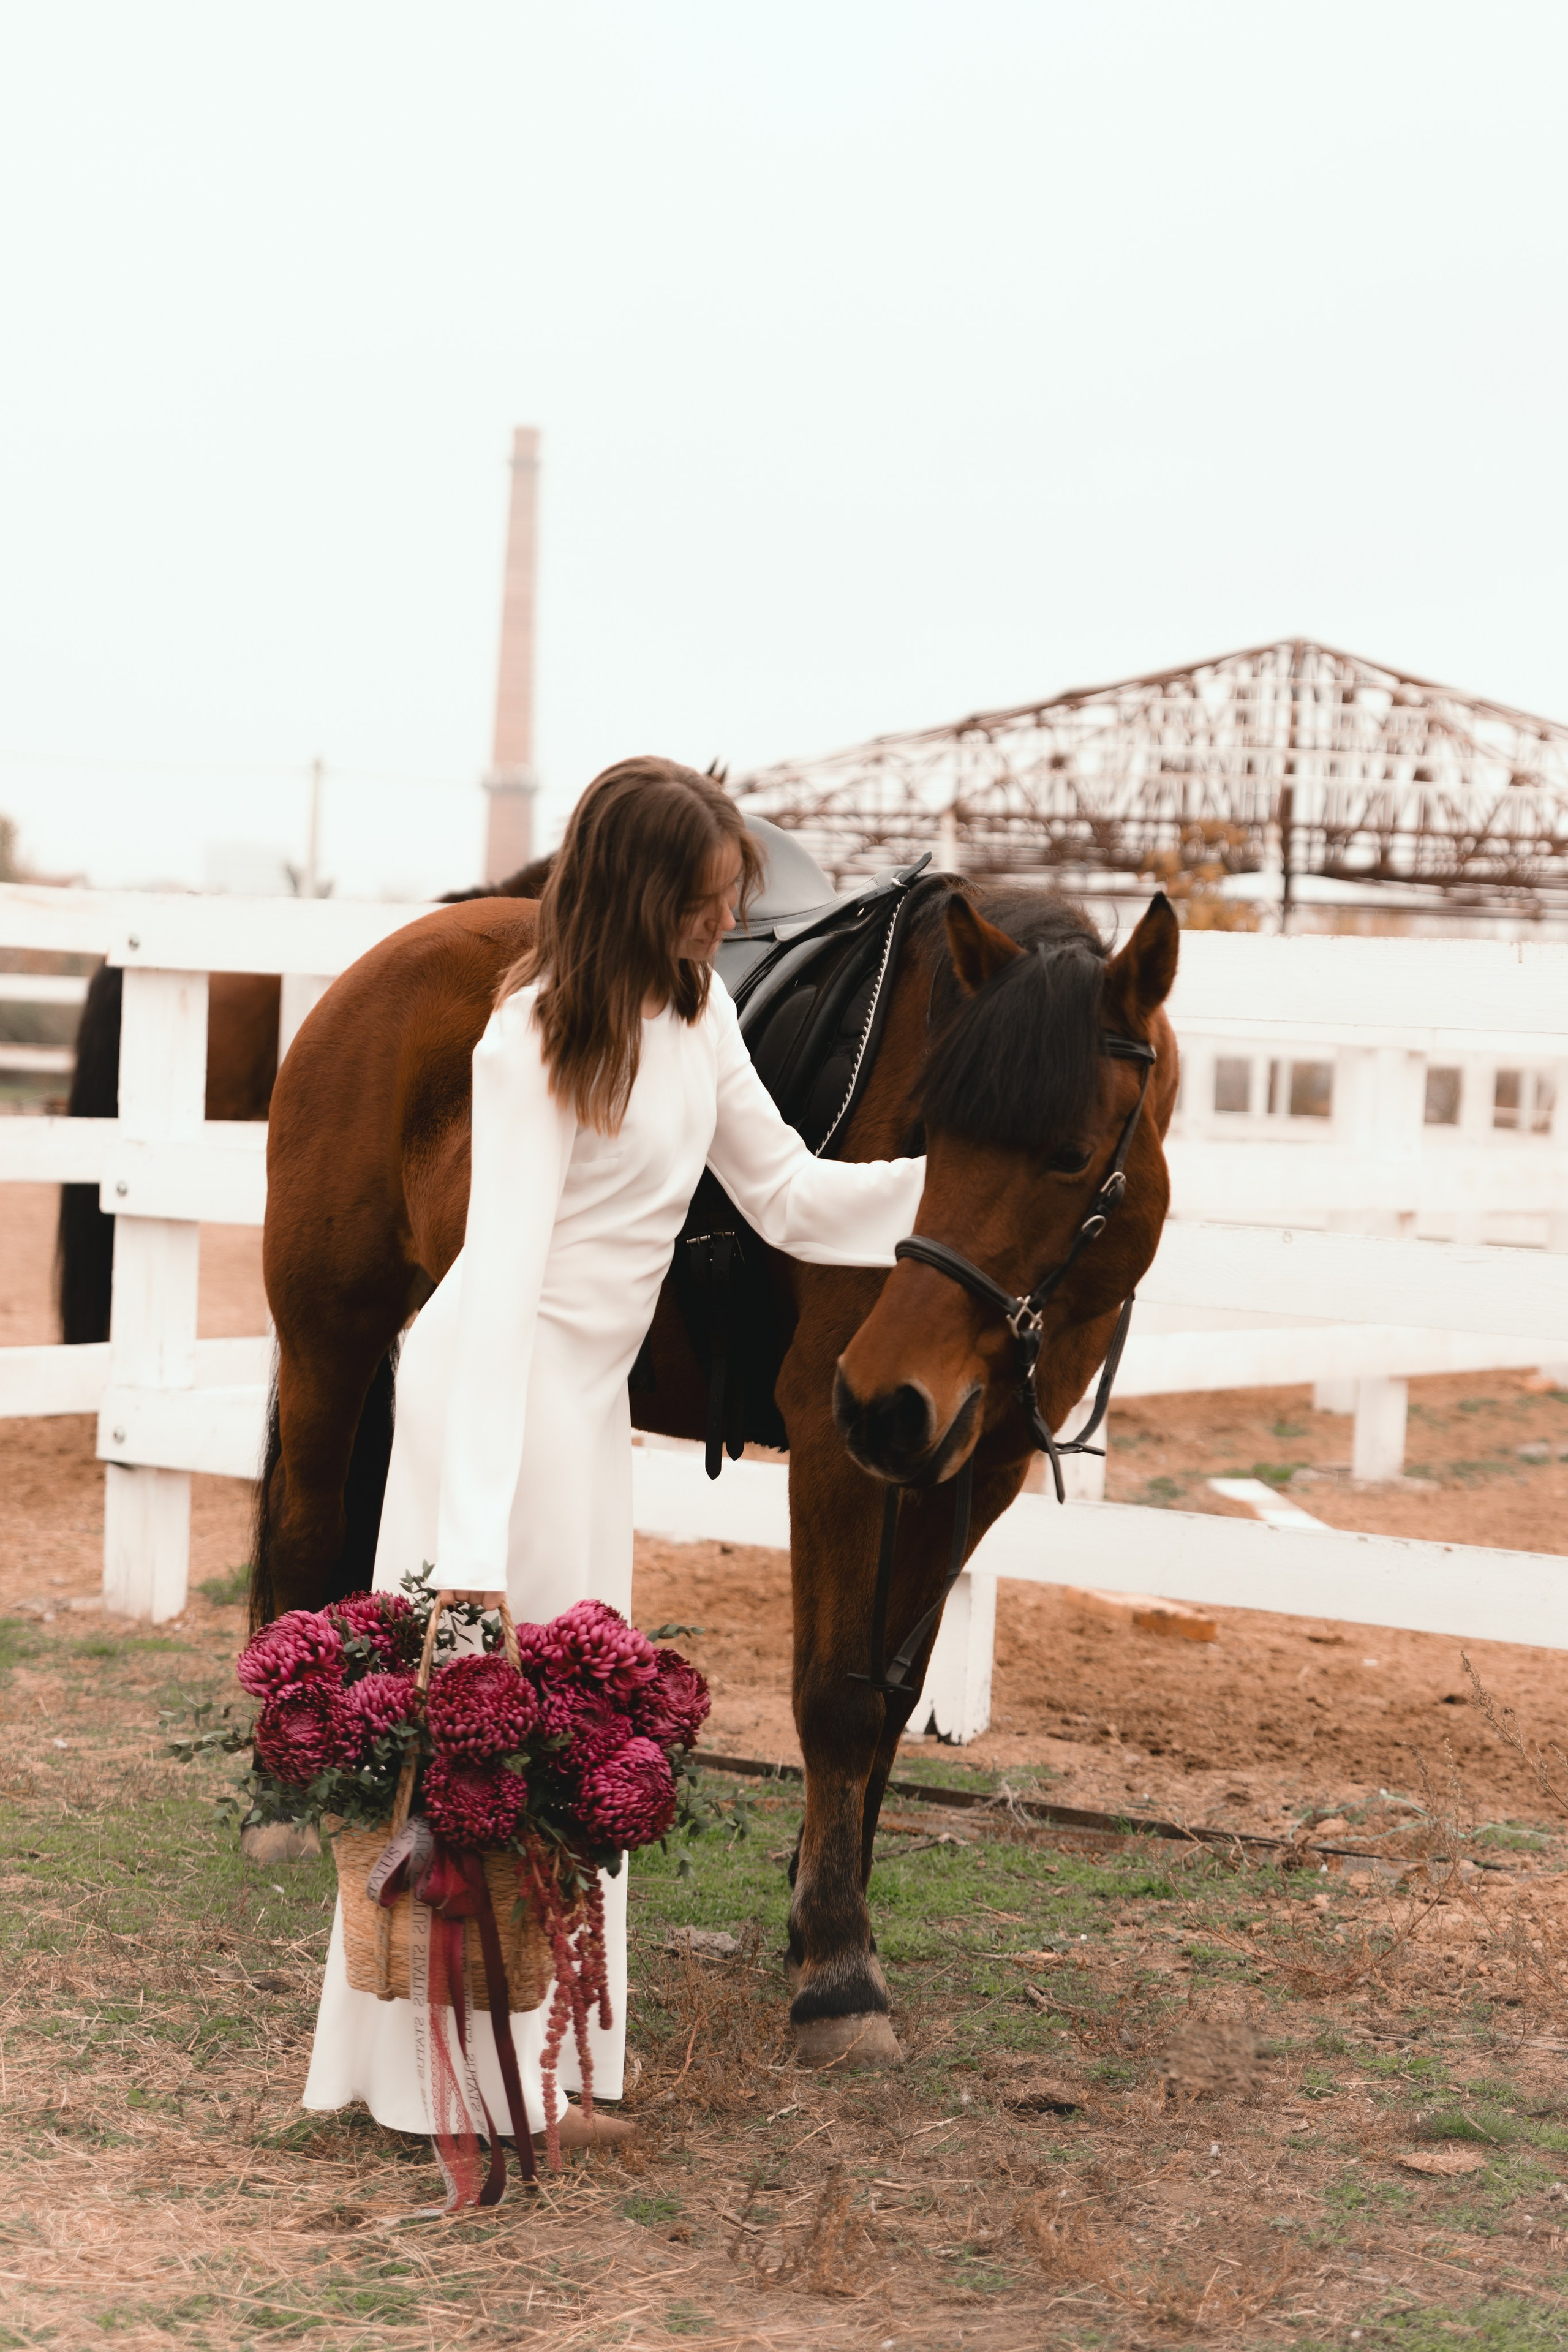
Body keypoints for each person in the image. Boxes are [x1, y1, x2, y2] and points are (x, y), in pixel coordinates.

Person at [302, 756, 927, 2154]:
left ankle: (552, 2063)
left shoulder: (696, 1014)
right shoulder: (531, 1035)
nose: (724, 926)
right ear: (645, 894)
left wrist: (953, 1189)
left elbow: (787, 1195)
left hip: (583, 1408)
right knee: (486, 1737)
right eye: (707, 903)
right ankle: (460, 2090)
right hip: (499, 1396)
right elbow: (504, 1273)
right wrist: (465, 1567)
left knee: (578, 1738)